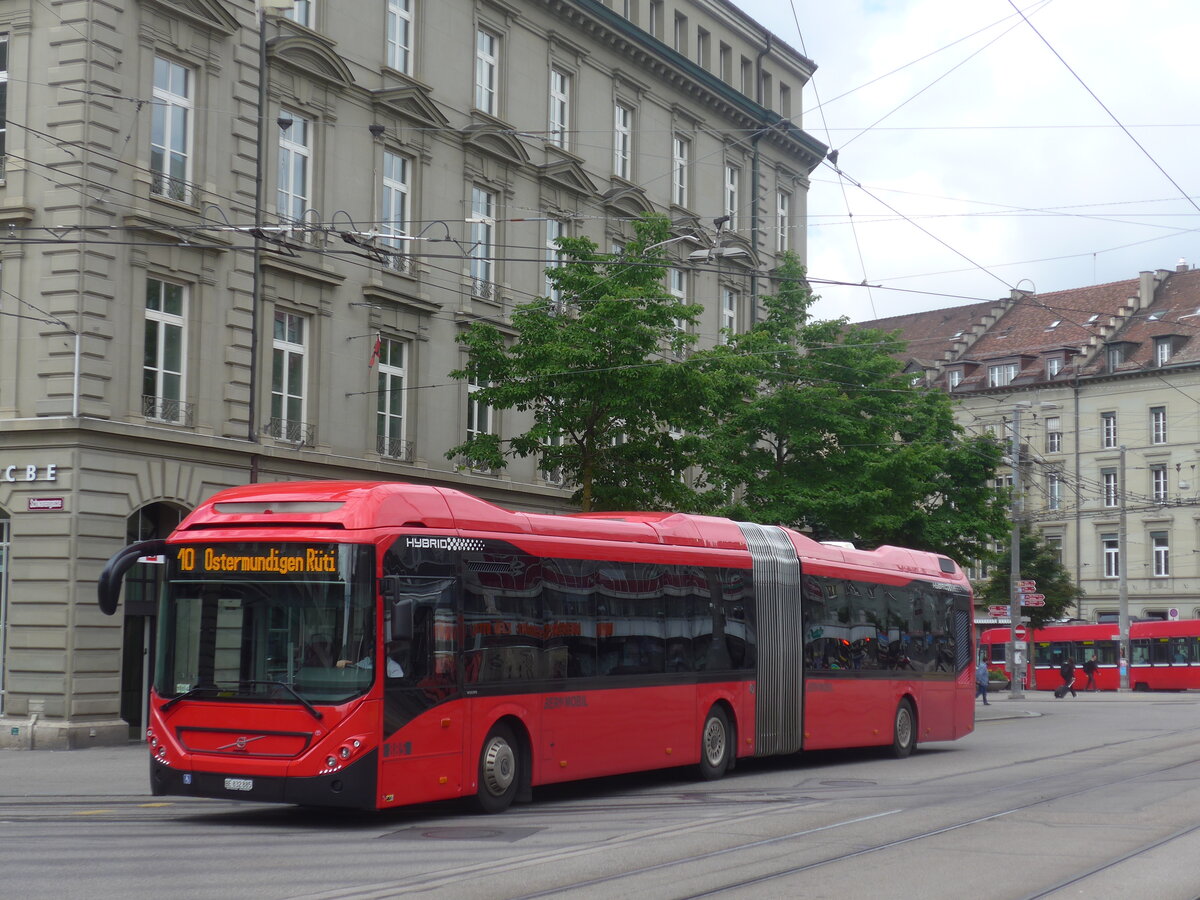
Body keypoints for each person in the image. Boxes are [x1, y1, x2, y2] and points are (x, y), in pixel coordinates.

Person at [336, 640, 405, 678]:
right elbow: (355, 669)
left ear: (387, 650)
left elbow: (393, 686)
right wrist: (345, 664)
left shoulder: (394, 668)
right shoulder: (367, 661)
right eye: (371, 648)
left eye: (375, 648)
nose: (371, 651)